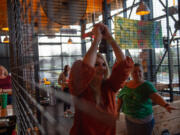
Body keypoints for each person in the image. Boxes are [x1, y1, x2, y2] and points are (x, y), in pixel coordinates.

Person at [69, 23, 133, 135]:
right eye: (96, 64)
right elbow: (84, 69)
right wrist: (96, 40)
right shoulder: (81, 90)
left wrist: (109, 37)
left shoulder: (109, 87)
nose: (101, 68)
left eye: (104, 64)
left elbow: (124, 65)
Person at [117, 63, 176, 135]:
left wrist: (166, 105)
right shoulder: (126, 85)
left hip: (144, 122)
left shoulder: (146, 85)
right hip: (130, 120)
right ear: (131, 74)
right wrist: (117, 111)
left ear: (142, 72)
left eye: (139, 71)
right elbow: (120, 97)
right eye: (134, 72)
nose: (137, 73)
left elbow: (156, 97)